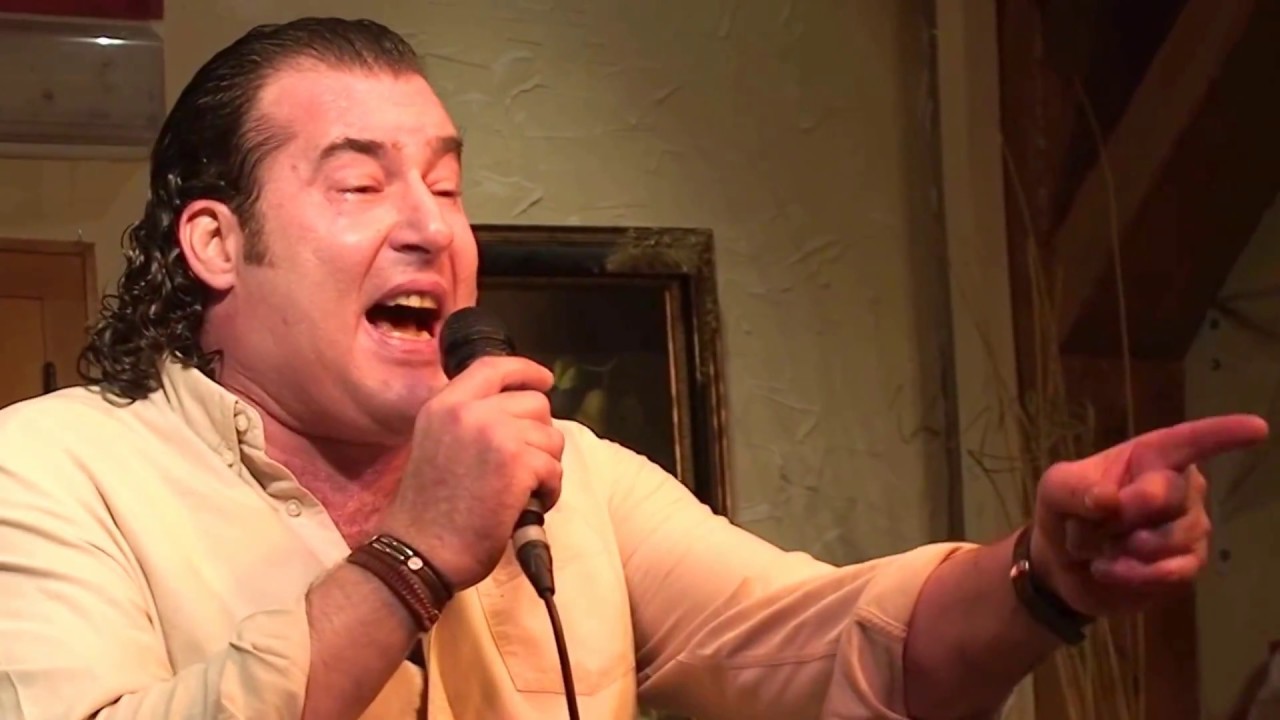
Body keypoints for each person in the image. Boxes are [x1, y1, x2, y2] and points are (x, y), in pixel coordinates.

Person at [0, 16, 1267, 720]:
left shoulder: (568, 477)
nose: (431, 227)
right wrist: (412, 555)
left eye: (446, 183)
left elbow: (825, 642)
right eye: (359, 184)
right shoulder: (49, 472)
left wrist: (1042, 579)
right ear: (217, 243)